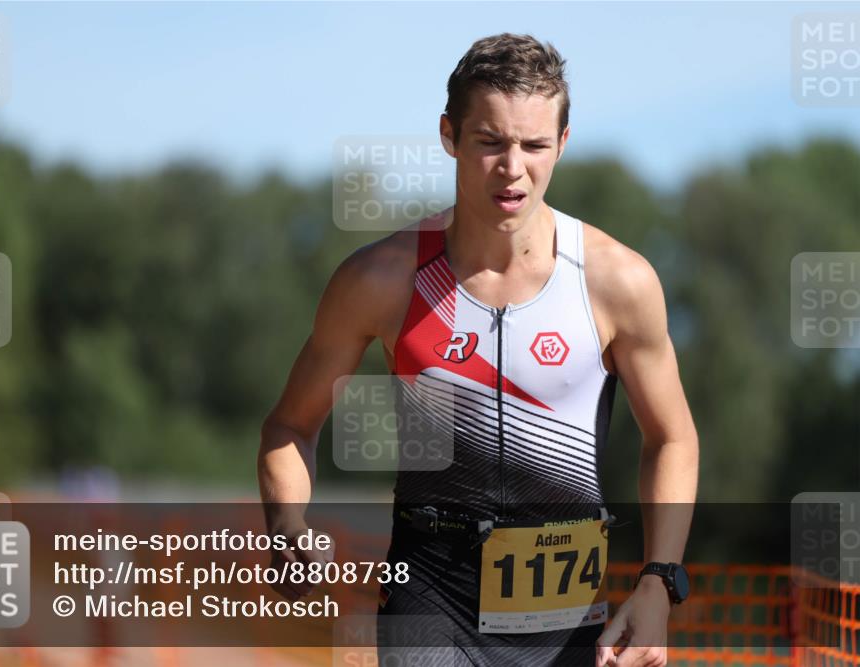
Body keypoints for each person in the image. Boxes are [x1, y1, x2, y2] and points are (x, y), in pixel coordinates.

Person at [258, 32, 699, 667]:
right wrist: (289, 528)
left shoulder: (616, 281)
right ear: (450, 136)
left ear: (563, 144)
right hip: (428, 591)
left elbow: (673, 438)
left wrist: (660, 581)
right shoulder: (380, 278)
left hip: (567, 608)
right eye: (490, 141)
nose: (512, 167)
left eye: (535, 145)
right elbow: (289, 425)